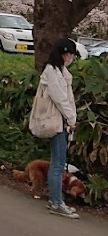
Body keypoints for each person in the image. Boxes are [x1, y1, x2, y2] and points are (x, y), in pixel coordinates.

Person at [38, 38, 80, 219]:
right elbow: (60, 99)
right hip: (58, 122)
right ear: (64, 54)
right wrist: (71, 118)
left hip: (60, 121)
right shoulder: (53, 72)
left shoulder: (58, 71)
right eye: (70, 54)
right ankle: (56, 202)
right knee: (58, 164)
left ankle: (55, 199)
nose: (72, 58)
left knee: (58, 163)